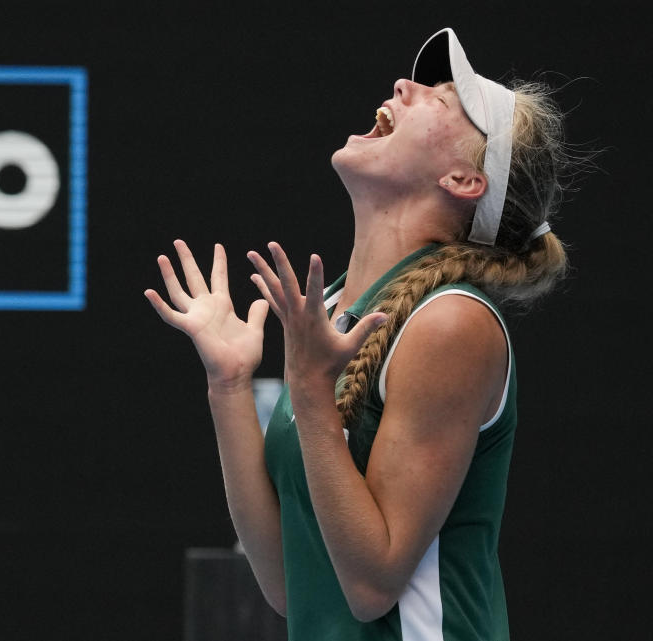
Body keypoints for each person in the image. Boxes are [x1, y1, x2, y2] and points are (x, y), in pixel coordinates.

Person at [145, 27, 575, 640]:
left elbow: (372, 587)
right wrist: (230, 385)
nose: (403, 85)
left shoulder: (452, 322)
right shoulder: (329, 309)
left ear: (463, 180)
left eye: (442, 99)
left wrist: (314, 392)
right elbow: (289, 587)